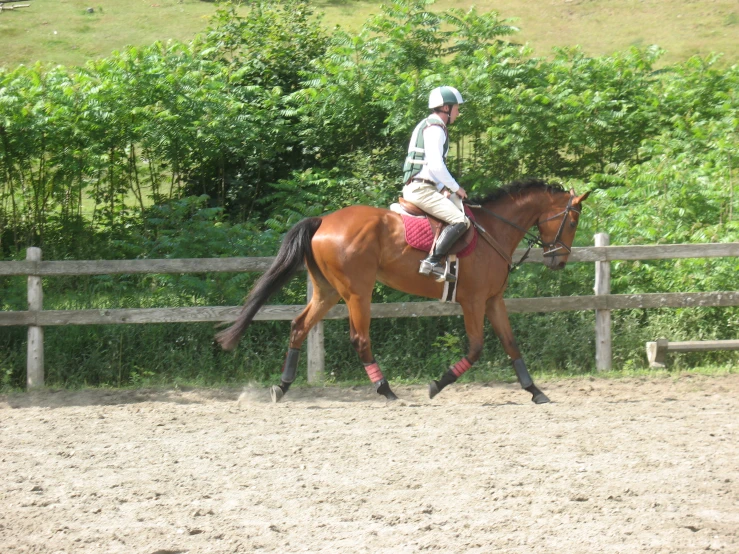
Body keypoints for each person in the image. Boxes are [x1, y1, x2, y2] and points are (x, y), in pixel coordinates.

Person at [402, 86, 470, 281]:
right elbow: (436, 165)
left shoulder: (429, 125)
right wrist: (456, 188)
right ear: (446, 108)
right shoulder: (435, 129)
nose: (458, 112)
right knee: (460, 221)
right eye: (456, 108)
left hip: (425, 186)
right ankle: (432, 262)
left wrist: (442, 190)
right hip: (421, 189)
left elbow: (428, 167)